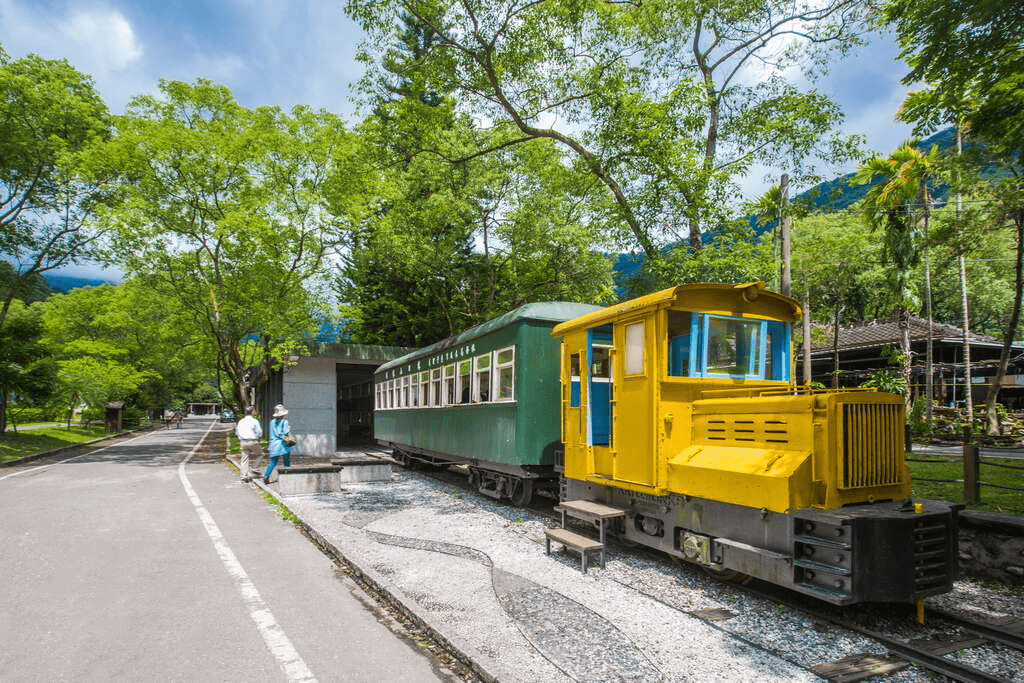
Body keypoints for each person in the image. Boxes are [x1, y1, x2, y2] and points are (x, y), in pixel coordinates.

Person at [263, 404, 293, 483]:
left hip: (273, 444)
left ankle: (266, 475)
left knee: (273, 462)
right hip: (283, 444)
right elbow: (285, 433)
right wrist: (290, 437)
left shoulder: (272, 422)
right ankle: (287, 476)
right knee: (286, 460)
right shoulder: (285, 421)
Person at [235, 407, 263, 482]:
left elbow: (237, 432)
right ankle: (255, 469)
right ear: (252, 412)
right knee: (260, 454)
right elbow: (259, 432)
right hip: (252, 441)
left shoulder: (241, 421)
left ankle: (244, 476)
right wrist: (258, 437)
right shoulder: (254, 421)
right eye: (254, 410)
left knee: (244, 458)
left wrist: (240, 437)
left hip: (243, 441)